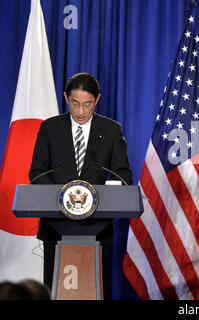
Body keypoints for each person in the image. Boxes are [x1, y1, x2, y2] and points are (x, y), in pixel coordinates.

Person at [29, 72, 133, 299]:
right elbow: (36, 173)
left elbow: (123, 175)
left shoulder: (111, 130)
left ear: (97, 100)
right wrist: (63, 198)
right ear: (66, 98)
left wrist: (108, 192)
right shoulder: (50, 128)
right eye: (75, 104)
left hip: (97, 229)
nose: (81, 112)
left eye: (87, 105)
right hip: (55, 227)